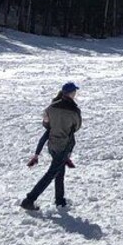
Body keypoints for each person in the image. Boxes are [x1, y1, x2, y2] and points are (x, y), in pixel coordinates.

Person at [20, 82, 82, 211]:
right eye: (74, 92)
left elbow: (46, 124)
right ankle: (29, 199)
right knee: (51, 173)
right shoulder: (74, 111)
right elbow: (76, 127)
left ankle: (60, 200)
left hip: (52, 145)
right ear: (71, 93)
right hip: (64, 146)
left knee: (59, 171)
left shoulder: (51, 107)